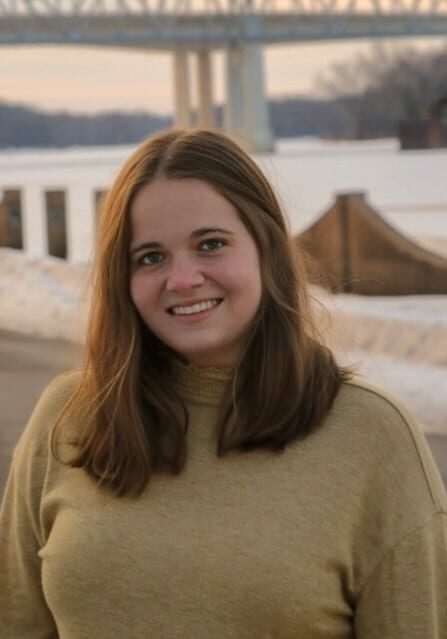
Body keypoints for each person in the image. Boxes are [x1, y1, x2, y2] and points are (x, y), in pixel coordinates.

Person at [1, 129, 446, 638]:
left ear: (266, 249)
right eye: (150, 257)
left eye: (210, 245)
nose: (183, 278)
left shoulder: (372, 437)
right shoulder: (70, 415)